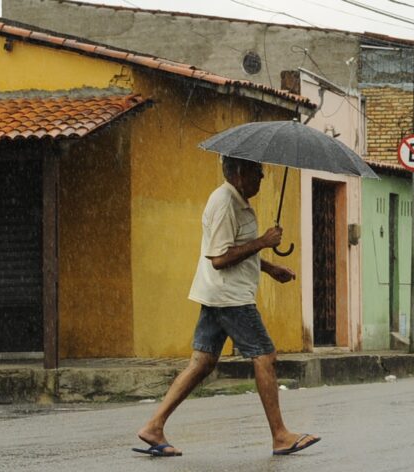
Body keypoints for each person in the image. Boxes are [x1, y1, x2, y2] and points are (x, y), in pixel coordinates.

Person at [134, 157, 320, 457]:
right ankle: (281, 436)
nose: (261, 177)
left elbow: (236, 248)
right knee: (265, 356)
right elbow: (219, 259)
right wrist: (262, 241)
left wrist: (270, 268)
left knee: (202, 362)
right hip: (230, 297)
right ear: (237, 173)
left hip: (219, 295)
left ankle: (153, 426)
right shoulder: (224, 203)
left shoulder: (237, 201)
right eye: (256, 172)